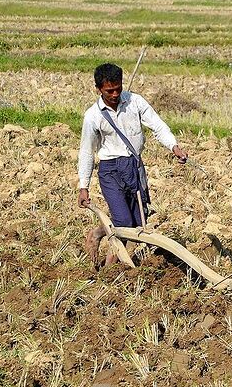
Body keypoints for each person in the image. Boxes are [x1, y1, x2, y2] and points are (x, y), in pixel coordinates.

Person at [77, 63, 188, 265]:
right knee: (124, 223)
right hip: (110, 170)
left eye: (118, 88)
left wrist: (174, 146)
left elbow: (158, 125)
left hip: (135, 168)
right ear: (99, 89)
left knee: (137, 222)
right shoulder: (92, 116)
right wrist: (83, 186)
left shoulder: (135, 102)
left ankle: (100, 233)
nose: (115, 94)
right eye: (109, 90)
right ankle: (112, 266)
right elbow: (86, 151)